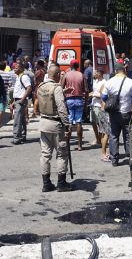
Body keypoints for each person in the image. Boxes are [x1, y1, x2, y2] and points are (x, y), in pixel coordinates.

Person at [36, 64, 73, 192]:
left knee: (45, 155)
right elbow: (61, 108)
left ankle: (46, 183)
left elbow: (47, 99)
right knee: (62, 154)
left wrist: (62, 92)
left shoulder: (41, 87)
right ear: (57, 75)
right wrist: (67, 124)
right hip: (56, 124)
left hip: (44, 123)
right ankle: (61, 183)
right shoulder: (56, 88)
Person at [102, 62, 132, 166]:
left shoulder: (109, 82)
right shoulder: (130, 82)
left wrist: (112, 100)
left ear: (116, 71)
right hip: (127, 112)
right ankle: (130, 157)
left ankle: (114, 160)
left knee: (113, 136)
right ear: (124, 70)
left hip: (113, 113)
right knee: (127, 135)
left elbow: (103, 97)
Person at [60, 59, 86, 151]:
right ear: (78, 66)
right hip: (79, 99)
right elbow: (86, 90)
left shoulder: (66, 75)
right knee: (78, 122)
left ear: (71, 66)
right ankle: (79, 145)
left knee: (69, 122)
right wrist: (86, 102)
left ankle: (67, 144)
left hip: (69, 99)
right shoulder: (81, 75)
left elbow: (61, 88)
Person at [89, 69, 110, 162]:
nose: (94, 74)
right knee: (93, 122)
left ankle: (103, 147)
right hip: (94, 105)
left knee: (102, 127)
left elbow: (103, 95)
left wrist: (94, 95)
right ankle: (98, 139)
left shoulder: (105, 82)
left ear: (100, 73)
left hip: (99, 106)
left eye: (95, 73)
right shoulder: (95, 81)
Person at [10, 61, 32, 144]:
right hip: (17, 100)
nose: (15, 69)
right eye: (14, 67)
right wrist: (13, 102)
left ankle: (16, 138)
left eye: (17, 67)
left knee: (17, 120)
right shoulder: (18, 77)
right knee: (22, 120)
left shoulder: (24, 77)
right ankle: (22, 136)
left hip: (20, 100)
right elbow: (18, 91)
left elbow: (29, 88)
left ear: (22, 68)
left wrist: (22, 99)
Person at [0, 60, 16, 129]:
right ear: (5, 67)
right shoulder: (8, 75)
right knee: (1, 110)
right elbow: (10, 84)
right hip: (3, 94)